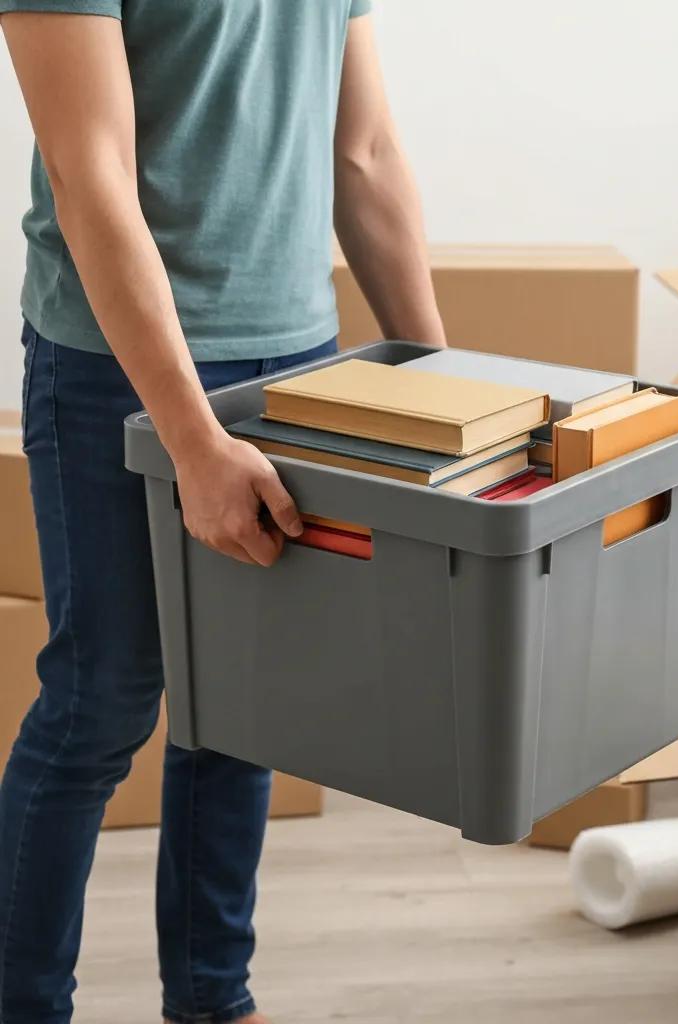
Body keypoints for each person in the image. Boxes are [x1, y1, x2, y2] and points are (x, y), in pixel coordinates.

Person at [0, 2, 446, 1021]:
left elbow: (364, 151)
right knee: (98, 706)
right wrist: (195, 441)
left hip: (294, 356)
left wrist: (440, 385)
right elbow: (89, 174)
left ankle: (212, 998)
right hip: (116, 363)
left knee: (244, 707)